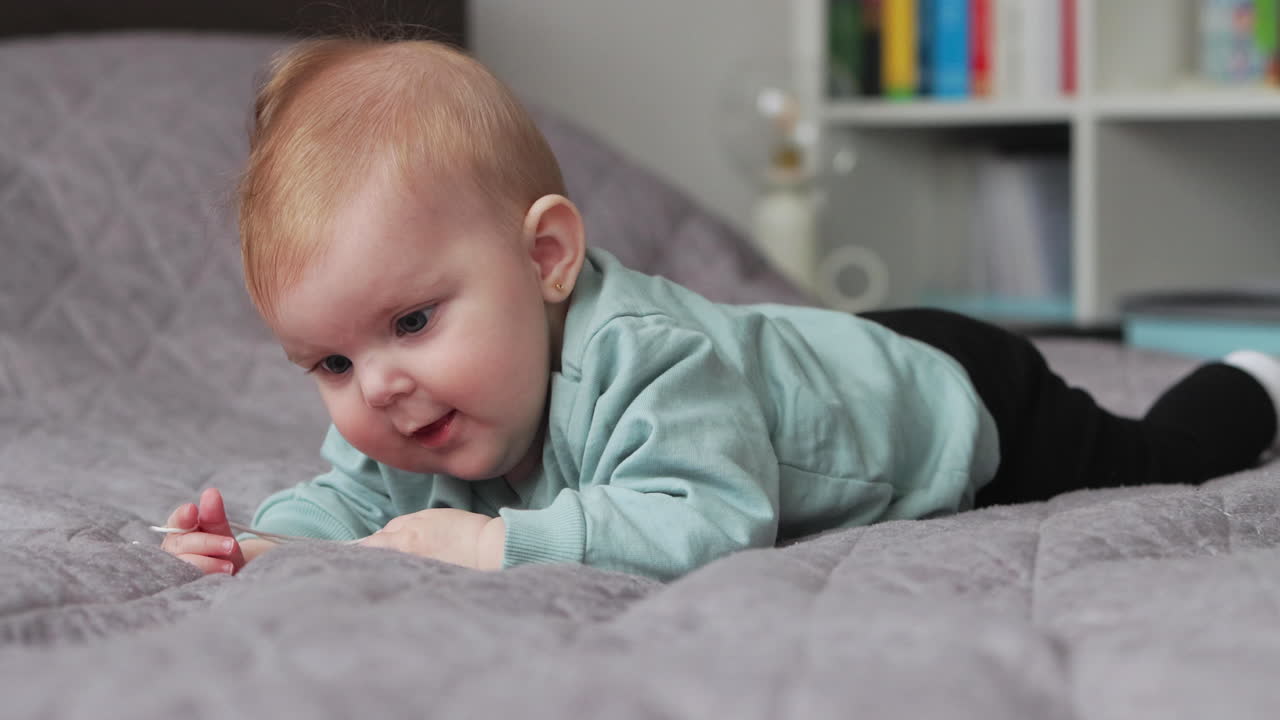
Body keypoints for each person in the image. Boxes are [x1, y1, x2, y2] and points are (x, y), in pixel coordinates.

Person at [161, 36, 1280, 582]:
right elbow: (354, 501)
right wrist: (267, 543)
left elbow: (708, 519)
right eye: (328, 363)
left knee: (1160, 457)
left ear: (546, 257)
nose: (377, 389)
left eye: (410, 323)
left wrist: (494, 541)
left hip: (954, 396)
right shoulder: (406, 407)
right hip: (830, 359)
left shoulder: (647, 357)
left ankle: (1254, 374)